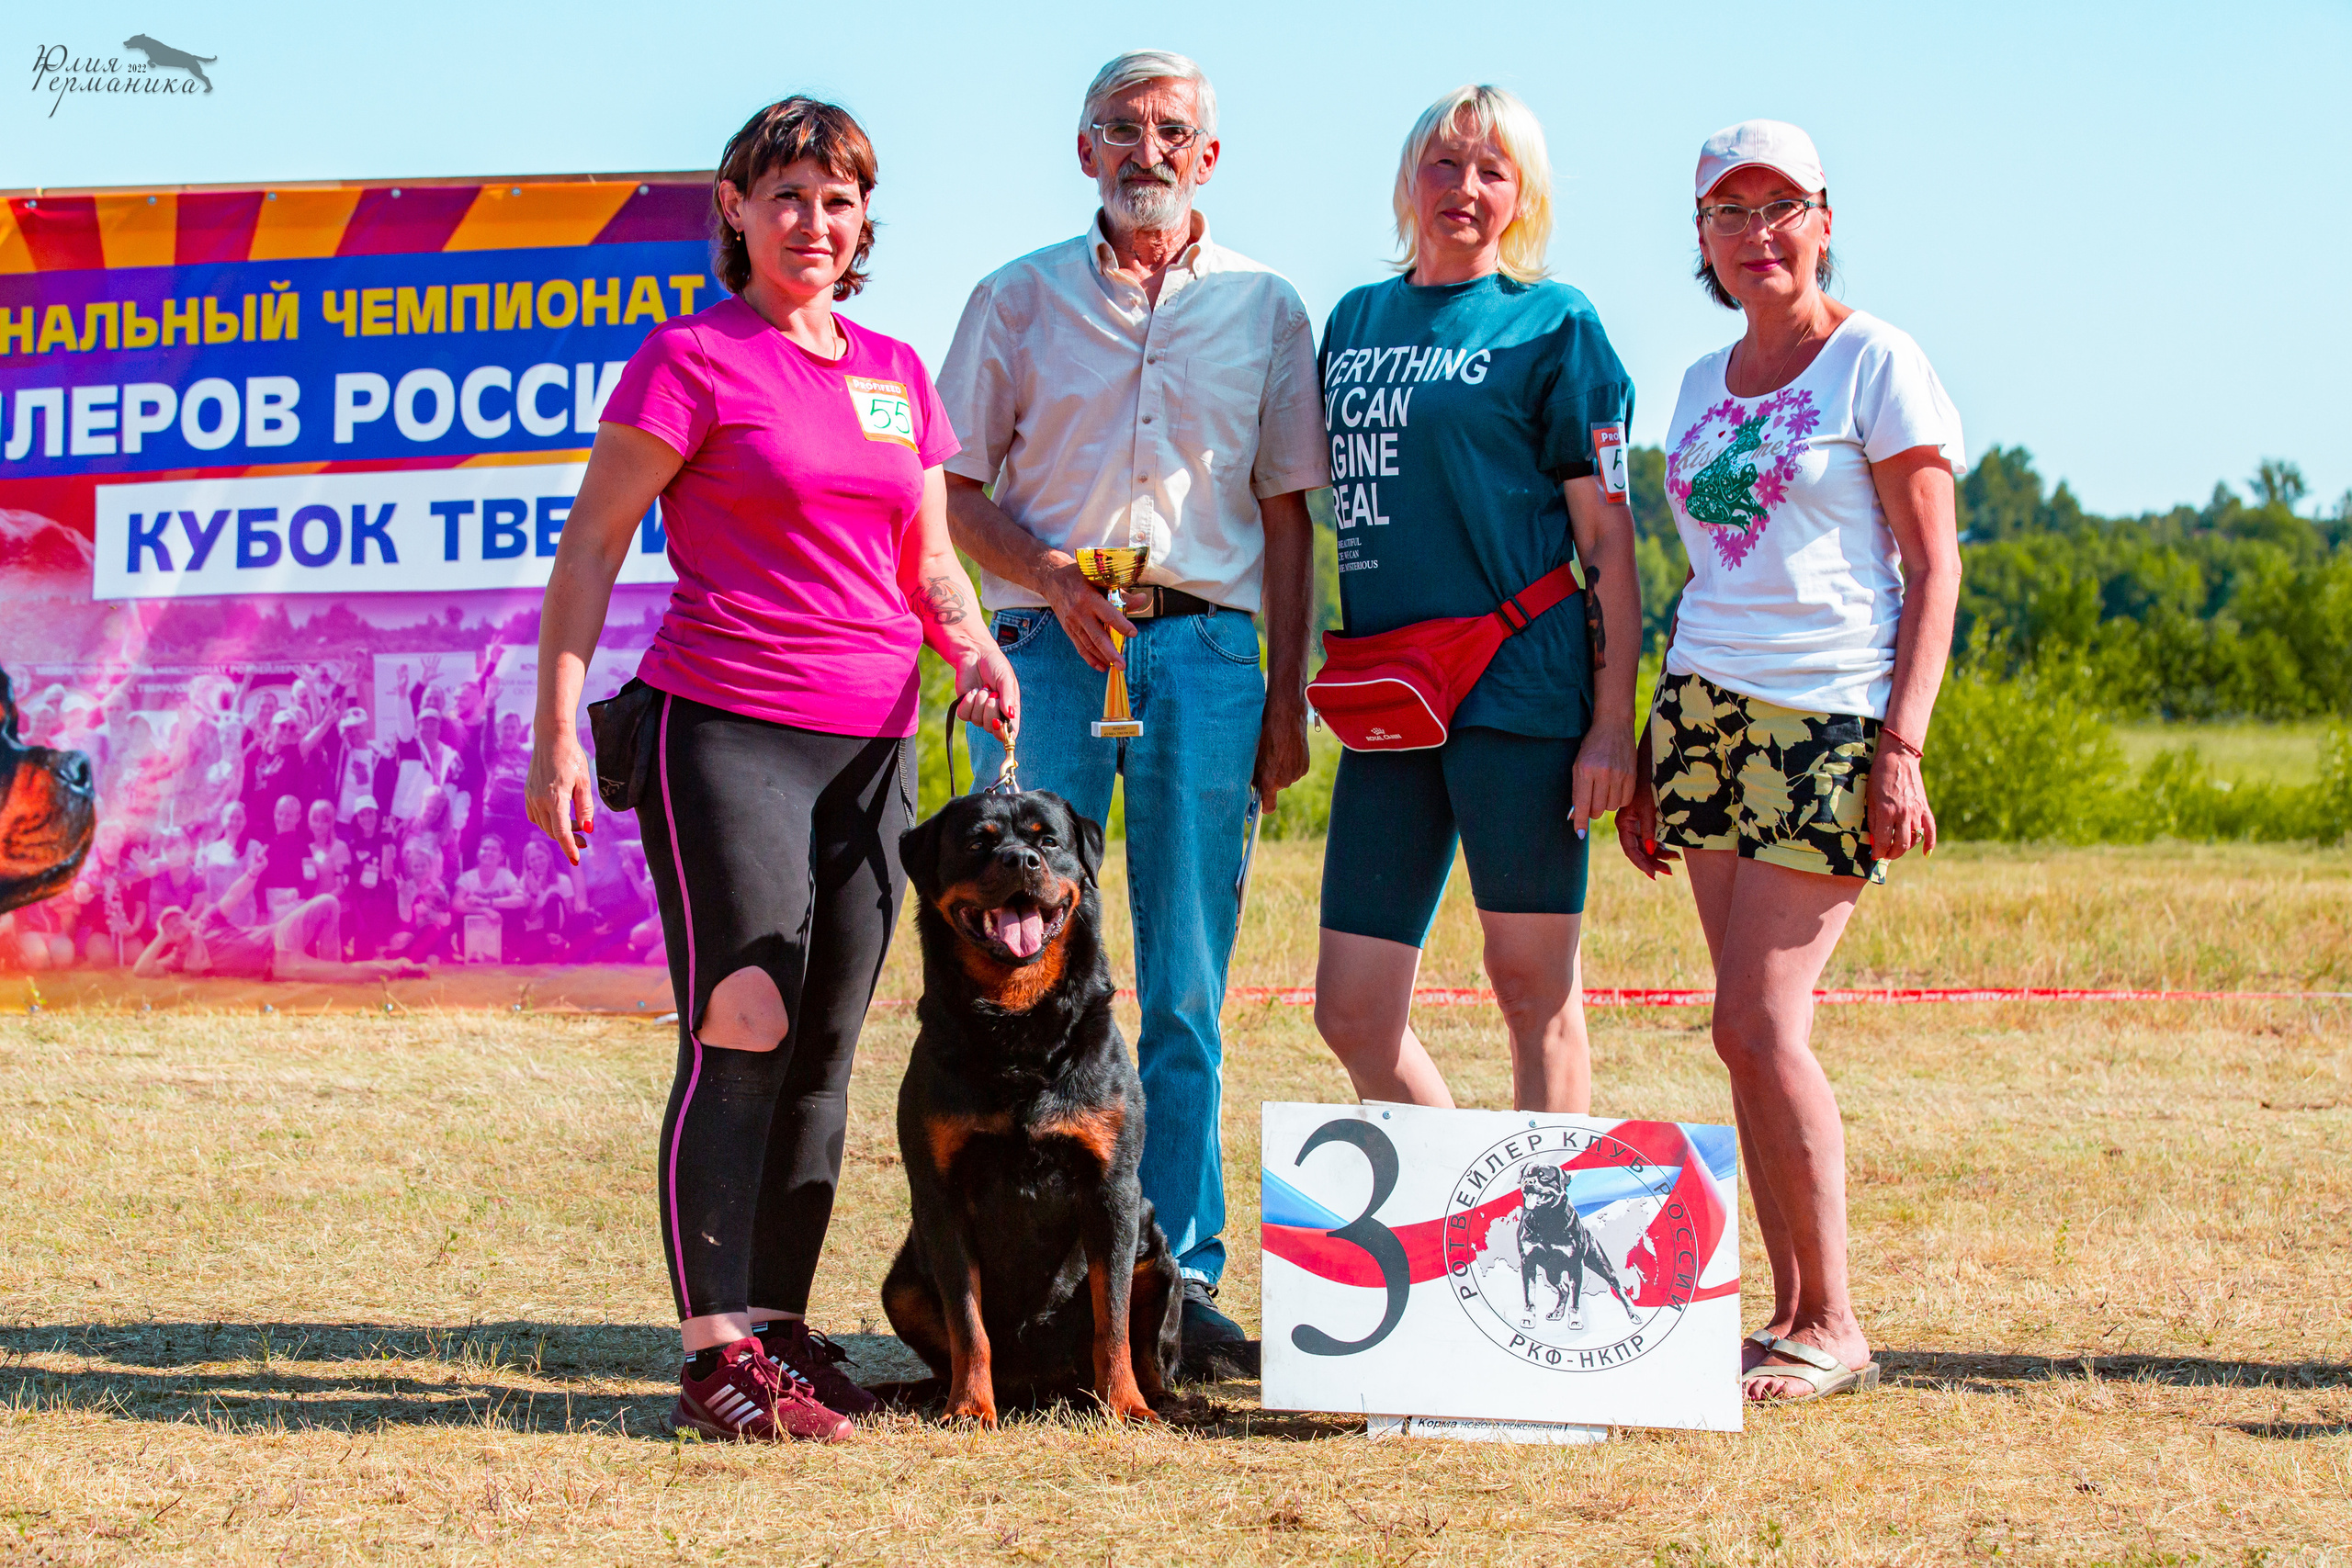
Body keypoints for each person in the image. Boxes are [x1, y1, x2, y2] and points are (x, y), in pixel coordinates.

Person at [526, 96, 1018, 1443]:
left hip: (875, 746)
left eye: (838, 200)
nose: (814, 222)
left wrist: (974, 645)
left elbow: (928, 561)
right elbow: (591, 548)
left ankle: (780, 1328)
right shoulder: (690, 359)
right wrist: (558, 728)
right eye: (787, 195)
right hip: (728, 726)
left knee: (826, 1044)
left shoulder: (896, 372)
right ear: (736, 211)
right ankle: (713, 1355)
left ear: (864, 223)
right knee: (743, 1020)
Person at [937, 49, 1328, 1373]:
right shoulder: (1015, 297)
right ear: (1084, 149)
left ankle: (1178, 1273)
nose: (1144, 151)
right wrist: (1048, 574)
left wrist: (1287, 695)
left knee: (1185, 983)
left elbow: (1288, 514)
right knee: (1016, 958)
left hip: (1208, 655)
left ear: (1207, 156)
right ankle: (1018, 1270)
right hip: (1048, 648)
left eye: (1170, 131)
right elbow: (953, 493)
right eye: (1119, 128)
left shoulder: (1269, 307)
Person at [1616, 119, 1962, 1402]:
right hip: (1702, 713)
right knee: (1743, 1038)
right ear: (1701, 237)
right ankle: (1786, 1313)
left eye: (1779, 207)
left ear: (1823, 219)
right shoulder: (1698, 382)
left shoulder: (1879, 361)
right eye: (1729, 212)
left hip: (1826, 721)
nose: (1756, 233)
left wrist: (1900, 744)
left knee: (1760, 1022)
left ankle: (1839, 1322)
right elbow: (1705, 574)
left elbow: (1934, 568)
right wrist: (1650, 742)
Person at [1308, 85, 1642, 1116]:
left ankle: (1545, 1212)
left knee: (1533, 989)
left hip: (1520, 692)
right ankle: (1458, 1191)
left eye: (1493, 170)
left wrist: (1610, 725)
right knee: (1352, 1010)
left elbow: (1608, 540)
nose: (1465, 186)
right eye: (1445, 164)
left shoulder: (1558, 324)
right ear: (1409, 181)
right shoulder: (1353, 319)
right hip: (1389, 694)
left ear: (1522, 195)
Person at [133, 856, 424, 984]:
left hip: (278, 935)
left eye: (177, 919)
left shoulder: (207, 922)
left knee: (328, 902)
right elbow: (141, 971)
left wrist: (253, 872)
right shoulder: (177, 959)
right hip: (275, 964)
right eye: (169, 927)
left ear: (188, 917)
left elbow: (233, 895)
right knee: (342, 974)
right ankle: (398, 968)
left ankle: (331, 966)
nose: (175, 925)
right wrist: (162, 935)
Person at [451, 833, 526, 963]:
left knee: (515, 913)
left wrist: (485, 902)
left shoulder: (505, 875)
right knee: (457, 915)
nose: (489, 852)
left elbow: (520, 899)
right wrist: (484, 910)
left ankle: (509, 951)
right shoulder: (468, 877)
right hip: (474, 926)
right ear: (478, 853)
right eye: (485, 848)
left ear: (501, 856)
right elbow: (456, 903)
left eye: (494, 849)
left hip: (498, 923)